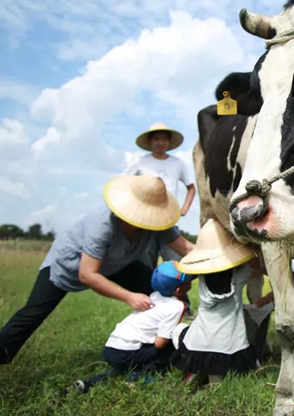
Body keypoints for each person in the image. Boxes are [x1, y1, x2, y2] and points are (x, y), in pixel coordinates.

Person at [0, 174, 194, 402]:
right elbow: (87, 274)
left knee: (161, 288)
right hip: (68, 269)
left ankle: (145, 360)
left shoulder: (158, 223)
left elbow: (187, 249)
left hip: (115, 264)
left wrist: (223, 253)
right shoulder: (102, 224)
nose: (149, 218)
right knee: (29, 316)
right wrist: (129, 297)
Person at [73, 261, 194, 393]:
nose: (191, 281)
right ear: (179, 290)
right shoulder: (176, 306)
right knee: (171, 347)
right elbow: (160, 344)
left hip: (111, 347)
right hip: (125, 352)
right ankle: (141, 375)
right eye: (188, 280)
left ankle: (91, 382)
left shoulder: (154, 296)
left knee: (122, 368)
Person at [170, 219, 258, 384]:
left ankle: (194, 373)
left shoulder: (202, 279)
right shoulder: (238, 279)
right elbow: (248, 266)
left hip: (199, 343)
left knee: (180, 331)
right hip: (227, 344)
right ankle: (214, 381)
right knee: (217, 377)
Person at [125, 122, 196, 313]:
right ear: (150, 141)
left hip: (169, 221)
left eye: (164, 139)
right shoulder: (140, 161)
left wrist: (184, 209)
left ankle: (183, 306)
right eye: (156, 139)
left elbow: (191, 187)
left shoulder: (177, 163)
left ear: (169, 142)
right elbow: (124, 182)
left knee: (177, 266)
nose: (160, 142)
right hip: (144, 222)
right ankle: (149, 307)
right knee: (146, 266)